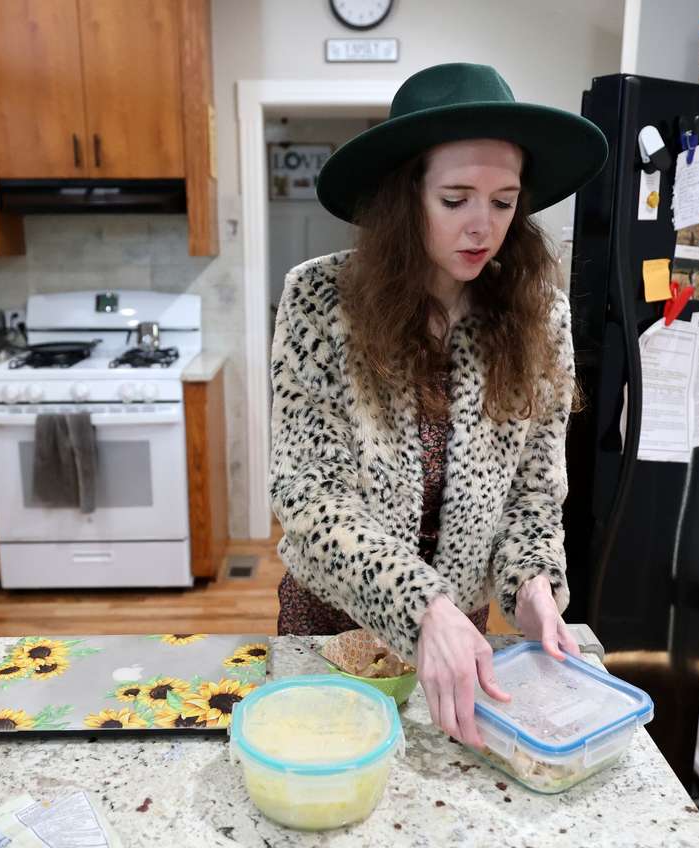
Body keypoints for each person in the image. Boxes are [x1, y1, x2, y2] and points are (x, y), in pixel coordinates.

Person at [269, 63, 608, 749]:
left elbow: (534, 495)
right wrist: (423, 608)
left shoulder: (539, 316)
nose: (483, 227)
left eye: (504, 201)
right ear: (405, 197)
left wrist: (538, 592)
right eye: (455, 199)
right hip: (334, 620)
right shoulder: (319, 301)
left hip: (461, 631)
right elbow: (307, 496)